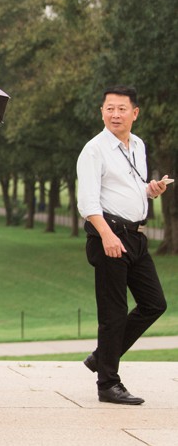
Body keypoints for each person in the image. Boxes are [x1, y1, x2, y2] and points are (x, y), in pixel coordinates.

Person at [76, 85, 170, 405]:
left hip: (135, 237)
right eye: (109, 108)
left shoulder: (138, 145)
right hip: (109, 237)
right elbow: (87, 202)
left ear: (135, 113)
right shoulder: (93, 150)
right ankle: (108, 384)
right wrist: (106, 235)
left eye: (121, 108)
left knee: (155, 303)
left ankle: (102, 355)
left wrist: (150, 190)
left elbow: (130, 188)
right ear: (102, 112)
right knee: (113, 313)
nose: (115, 114)